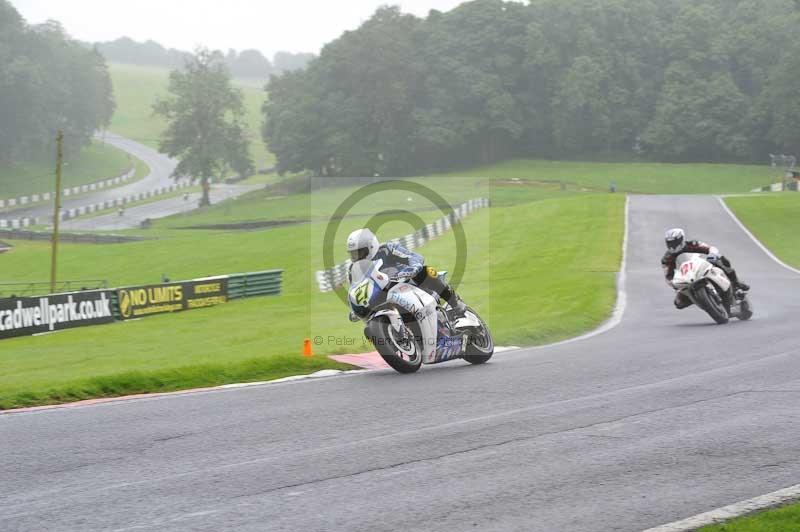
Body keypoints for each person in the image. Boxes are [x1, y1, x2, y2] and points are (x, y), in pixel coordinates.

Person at [346, 228, 467, 321]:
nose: (357, 257)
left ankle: (455, 303)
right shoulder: (354, 270)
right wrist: (356, 308)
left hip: (405, 282)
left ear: (371, 246)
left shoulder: (387, 249)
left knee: (427, 271)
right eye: (354, 254)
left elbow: (413, 256)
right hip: (383, 297)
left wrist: (413, 268)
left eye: (360, 252)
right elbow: (355, 290)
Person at [661, 228, 749, 309]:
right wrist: (674, 284)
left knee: (720, 259)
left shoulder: (692, 244)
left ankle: (736, 283)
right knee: (678, 303)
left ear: (681, 239)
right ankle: (702, 300)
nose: (673, 245)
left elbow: (710, 248)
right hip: (686, 279)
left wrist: (712, 254)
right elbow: (668, 276)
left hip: (702, 268)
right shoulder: (666, 259)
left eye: (675, 242)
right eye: (670, 243)